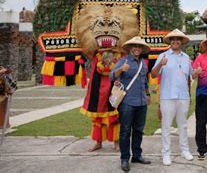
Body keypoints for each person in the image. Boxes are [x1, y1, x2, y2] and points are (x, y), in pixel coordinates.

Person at [151, 29, 193, 166]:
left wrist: (189, 94)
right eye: (173, 39)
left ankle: (185, 150)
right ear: (170, 42)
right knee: (166, 126)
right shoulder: (163, 56)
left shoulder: (186, 58)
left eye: (178, 39)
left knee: (183, 125)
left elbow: (189, 77)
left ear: (181, 42)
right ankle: (166, 153)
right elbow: (153, 74)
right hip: (167, 96)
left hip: (183, 96)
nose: (175, 41)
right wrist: (160, 64)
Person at [110, 37, 152, 172]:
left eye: (139, 47)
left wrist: (148, 95)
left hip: (141, 102)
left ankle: (137, 155)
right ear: (130, 48)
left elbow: (145, 80)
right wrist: (121, 69)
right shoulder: (124, 61)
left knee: (139, 130)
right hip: (127, 102)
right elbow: (112, 76)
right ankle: (124, 158)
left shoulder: (143, 63)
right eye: (134, 47)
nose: (137, 49)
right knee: (125, 131)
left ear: (141, 49)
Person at [81, 50, 120, 152]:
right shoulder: (96, 56)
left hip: (112, 92)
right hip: (98, 92)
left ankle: (117, 143)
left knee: (114, 119)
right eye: (106, 59)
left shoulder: (119, 55)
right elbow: (86, 51)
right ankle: (98, 142)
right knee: (98, 119)